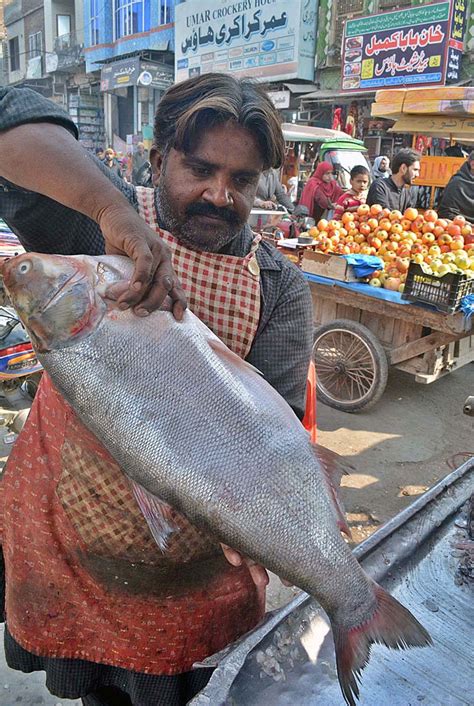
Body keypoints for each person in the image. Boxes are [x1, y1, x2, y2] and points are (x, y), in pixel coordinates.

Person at [0, 74, 313, 706]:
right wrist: (111, 212)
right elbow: (8, 116)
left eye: (242, 180)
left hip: (194, 574)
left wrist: (261, 522)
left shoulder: (279, 288)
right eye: (199, 168)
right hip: (75, 542)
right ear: (158, 155)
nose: (219, 195)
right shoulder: (95, 232)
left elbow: (270, 433)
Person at [438, 150, 474, 222]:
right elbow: (445, 212)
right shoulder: (456, 183)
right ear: (473, 164)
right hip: (458, 229)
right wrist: (465, 224)